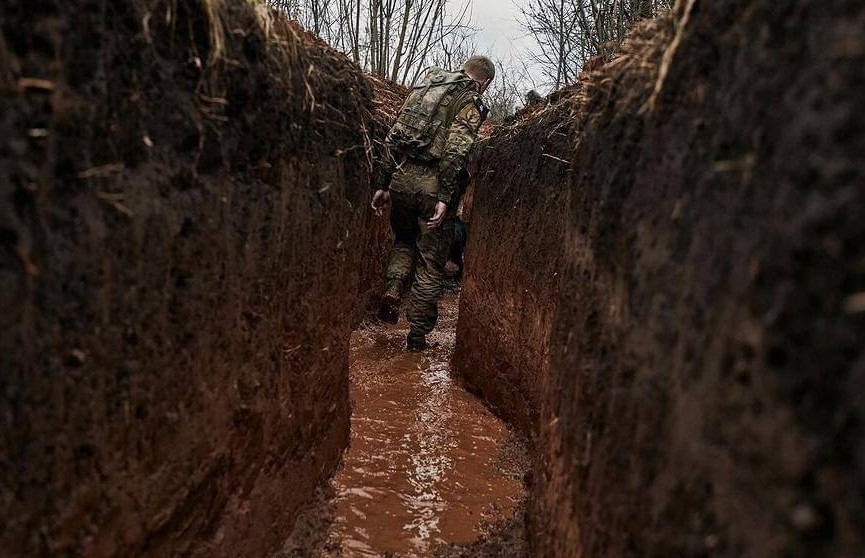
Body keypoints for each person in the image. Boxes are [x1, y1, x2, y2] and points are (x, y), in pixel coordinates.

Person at [371, 55, 494, 350]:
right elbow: (455, 152)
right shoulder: (470, 100)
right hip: (432, 186)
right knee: (430, 263)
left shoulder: (428, 86)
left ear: (463, 68)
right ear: (485, 82)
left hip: (401, 179)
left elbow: (395, 134)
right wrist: (445, 198)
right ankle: (416, 336)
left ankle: (393, 290)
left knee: (403, 241)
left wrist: (383, 183)